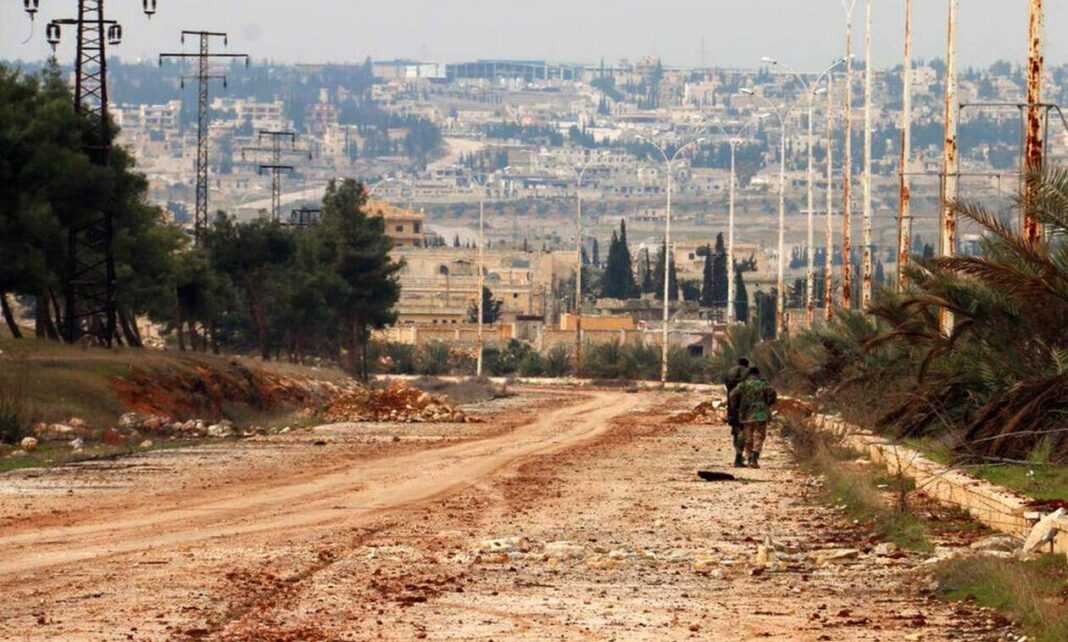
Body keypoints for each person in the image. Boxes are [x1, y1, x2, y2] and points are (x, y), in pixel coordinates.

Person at [729, 366, 778, 468]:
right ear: (758, 373)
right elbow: (773, 393)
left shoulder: (743, 384)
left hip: (746, 413)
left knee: (748, 437)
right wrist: (768, 403)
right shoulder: (763, 384)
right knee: (759, 435)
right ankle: (754, 458)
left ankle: (749, 458)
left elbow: (732, 395)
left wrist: (736, 406)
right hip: (761, 413)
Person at [722, 358, 751, 468]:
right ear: (747, 364)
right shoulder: (747, 372)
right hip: (745, 407)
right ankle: (739, 457)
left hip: (732, 407)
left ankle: (738, 455)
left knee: (736, 430)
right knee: (743, 432)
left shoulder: (730, 372)